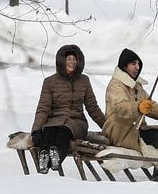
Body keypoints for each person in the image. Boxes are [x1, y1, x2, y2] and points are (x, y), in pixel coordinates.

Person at [30, 44, 106, 174]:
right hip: (54, 120)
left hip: (76, 122)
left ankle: (57, 156)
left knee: (64, 132)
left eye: (75, 59)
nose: (72, 62)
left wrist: (107, 127)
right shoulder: (50, 82)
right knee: (49, 131)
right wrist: (36, 130)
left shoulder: (84, 80)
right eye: (69, 59)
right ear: (62, 61)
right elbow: (43, 108)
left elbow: (92, 108)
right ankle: (44, 157)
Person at [103, 48, 158, 159]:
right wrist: (138, 108)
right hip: (120, 133)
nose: (137, 67)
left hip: (136, 131)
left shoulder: (137, 86)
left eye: (138, 64)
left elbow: (150, 106)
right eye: (133, 64)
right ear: (124, 66)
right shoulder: (115, 85)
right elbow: (120, 108)